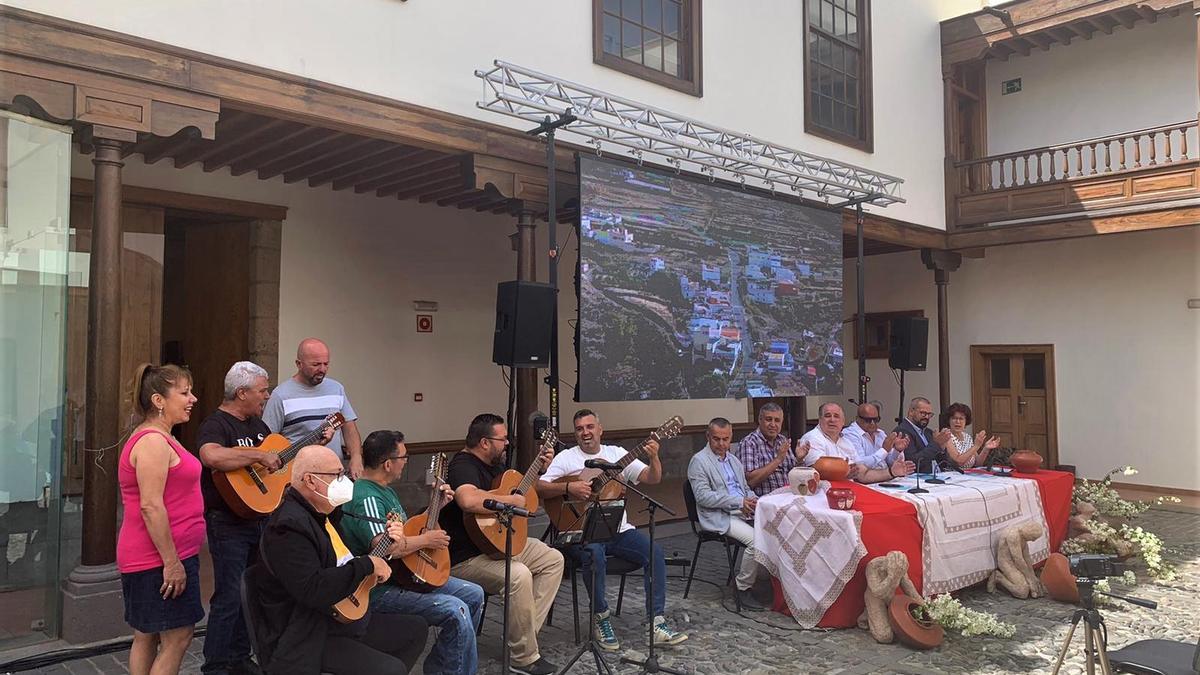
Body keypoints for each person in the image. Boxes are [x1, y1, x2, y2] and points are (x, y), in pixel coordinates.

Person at [251, 445, 429, 675]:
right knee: (389, 669)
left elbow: (341, 562)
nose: (343, 481)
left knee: (415, 629)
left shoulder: (323, 515)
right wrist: (367, 564)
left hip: (336, 615)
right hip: (304, 632)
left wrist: (386, 542)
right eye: (336, 475)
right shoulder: (288, 527)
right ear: (310, 481)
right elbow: (312, 588)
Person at [537, 410, 688, 651]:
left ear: (600, 429)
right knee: (594, 554)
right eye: (579, 429)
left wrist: (655, 458)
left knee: (655, 552)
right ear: (575, 433)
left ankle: (657, 623)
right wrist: (570, 487)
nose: (585, 432)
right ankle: (601, 617)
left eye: (590, 427)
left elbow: (651, 478)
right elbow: (540, 487)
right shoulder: (566, 458)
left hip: (617, 530)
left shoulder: (617, 455)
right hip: (580, 530)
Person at [338, 430, 484, 675]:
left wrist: (436, 506)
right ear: (388, 464)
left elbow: (405, 532)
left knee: (474, 594)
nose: (406, 461)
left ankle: (443, 666)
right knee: (455, 610)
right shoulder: (366, 496)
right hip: (379, 589)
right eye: (403, 457)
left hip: (403, 576)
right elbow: (385, 548)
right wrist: (427, 539)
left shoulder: (386, 491)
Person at [439, 414, 564, 675]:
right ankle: (522, 657)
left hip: (497, 544)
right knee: (518, 575)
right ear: (484, 442)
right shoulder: (463, 465)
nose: (507, 443)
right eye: (502, 438)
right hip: (465, 557)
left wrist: (538, 469)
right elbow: (468, 501)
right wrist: (509, 501)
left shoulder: (496, 465)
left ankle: (523, 640)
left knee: (553, 559)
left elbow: (521, 493)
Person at [193, 362, 282, 675]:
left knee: (251, 591)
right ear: (241, 393)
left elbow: (276, 463)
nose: (267, 396)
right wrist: (257, 455)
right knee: (229, 594)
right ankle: (215, 665)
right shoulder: (216, 424)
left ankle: (239, 656)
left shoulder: (259, 427)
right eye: (262, 390)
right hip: (228, 522)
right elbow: (211, 456)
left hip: (259, 519)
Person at [117, 363, 205, 675]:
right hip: (158, 559)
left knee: (147, 633)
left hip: (160, 556)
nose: (192, 398)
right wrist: (171, 562)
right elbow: (151, 506)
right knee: (179, 635)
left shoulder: (161, 437)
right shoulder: (153, 442)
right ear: (158, 400)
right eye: (184, 392)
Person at [686, 418, 765, 611]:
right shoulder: (699, 461)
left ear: (731, 438)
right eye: (716, 439)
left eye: (726, 439)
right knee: (756, 542)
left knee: (776, 529)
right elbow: (704, 497)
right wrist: (738, 502)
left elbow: (745, 488)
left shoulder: (734, 460)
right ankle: (742, 587)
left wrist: (756, 501)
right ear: (708, 437)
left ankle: (770, 585)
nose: (721, 444)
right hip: (718, 516)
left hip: (741, 508)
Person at [263, 338, 365, 478]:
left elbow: (349, 427)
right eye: (316, 364)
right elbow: (267, 441)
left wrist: (356, 457)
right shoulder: (280, 396)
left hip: (334, 475)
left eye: (326, 364)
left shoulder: (337, 389)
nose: (322, 369)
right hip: (298, 479)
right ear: (299, 364)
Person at [801, 403, 915, 483]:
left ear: (843, 421)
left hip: (850, 489)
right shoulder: (812, 438)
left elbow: (863, 474)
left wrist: (891, 472)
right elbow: (818, 469)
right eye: (827, 416)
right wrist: (844, 472)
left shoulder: (845, 441)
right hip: (821, 495)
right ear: (819, 420)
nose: (832, 420)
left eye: (836, 416)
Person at [734, 402, 808, 496]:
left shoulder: (782, 440)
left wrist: (799, 460)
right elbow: (750, 482)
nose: (773, 424)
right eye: (769, 419)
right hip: (765, 501)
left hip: (788, 497)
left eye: (777, 420)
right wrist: (778, 460)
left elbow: (793, 475)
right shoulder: (749, 443)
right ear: (760, 420)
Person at [843, 402, 909, 470]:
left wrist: (897, 450)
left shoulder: (880, 433)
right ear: (857, 418)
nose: (872, 423)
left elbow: (890, 462)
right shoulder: (850, 434)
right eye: (868, 420)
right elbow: (860, 465)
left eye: (876, 420)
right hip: (866, 479)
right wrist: (884, 450)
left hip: (885, 476)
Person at [894, 396, 952, 472]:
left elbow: (943, 463)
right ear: (911, 412)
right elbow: (913, 463)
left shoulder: (929, 432)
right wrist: (936, 444)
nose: (927, 417)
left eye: (929, 414)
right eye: (923, 413)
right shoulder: (902, 431)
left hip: (939, 476)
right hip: (917, 480)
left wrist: (942, 448)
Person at [944, 402, 1000, 468]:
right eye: (954, 418)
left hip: (968, 475)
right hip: (952, 476)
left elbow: (977, 463)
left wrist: (986, 448)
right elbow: (959, 462)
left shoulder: (967, 437)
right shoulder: (946, 436)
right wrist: (976, 446)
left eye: (961, 419)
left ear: (966, 421)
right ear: (949, 420)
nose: (958, 422)